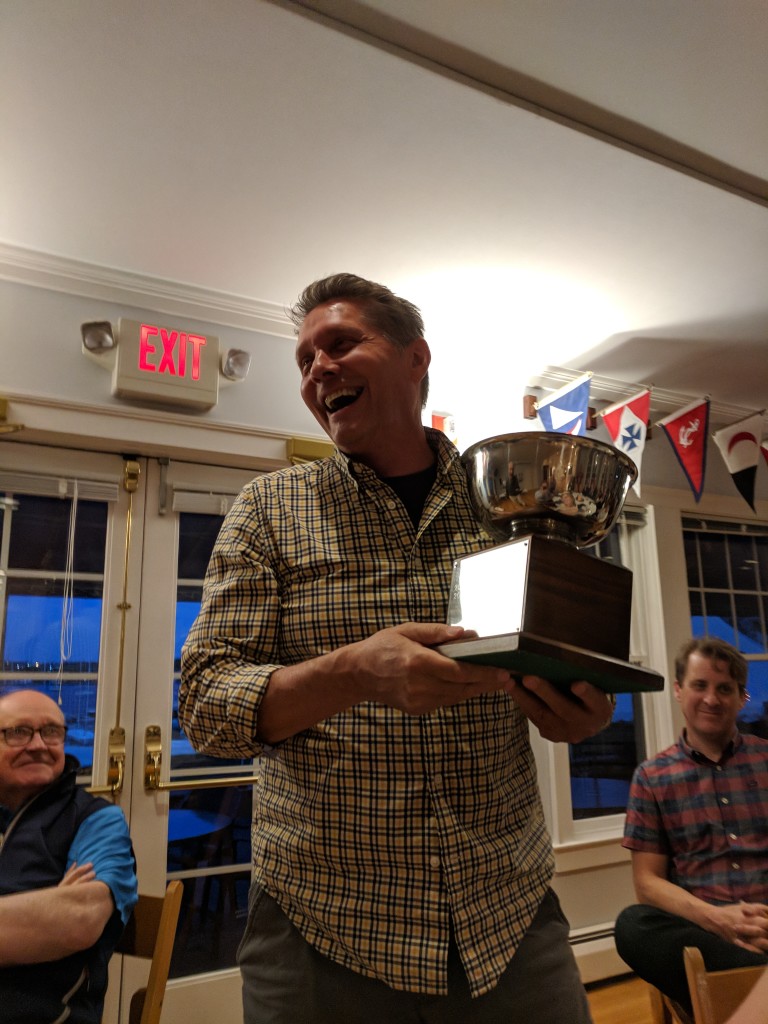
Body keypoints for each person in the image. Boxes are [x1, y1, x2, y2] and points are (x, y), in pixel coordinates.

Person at [179, 272, 617, 1024]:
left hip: (508, 918)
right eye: (305, 359)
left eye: (342, 342)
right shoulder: (270, 509)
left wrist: (580, 713)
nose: (318, 368)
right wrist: (353, 672)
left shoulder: (508, 504)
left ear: (417, 359)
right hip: (326, 933)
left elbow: (574, 675)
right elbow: (207, 708)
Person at [615, 637, 768, 1016]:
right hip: (705, 933)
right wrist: (718, 921)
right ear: (680, 691)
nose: (712, 699)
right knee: (632, 925)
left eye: (725, 689)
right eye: (700, 685)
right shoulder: (652, 776)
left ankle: (739, 1001)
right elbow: (647, 883)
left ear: (741, 697)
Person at [0, 689, 138, 1024]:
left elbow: (78, 920)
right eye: (19, 732)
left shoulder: (97, 820)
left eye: (51, 732)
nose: (38, 745)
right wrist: (41, 907)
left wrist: (58, 909)